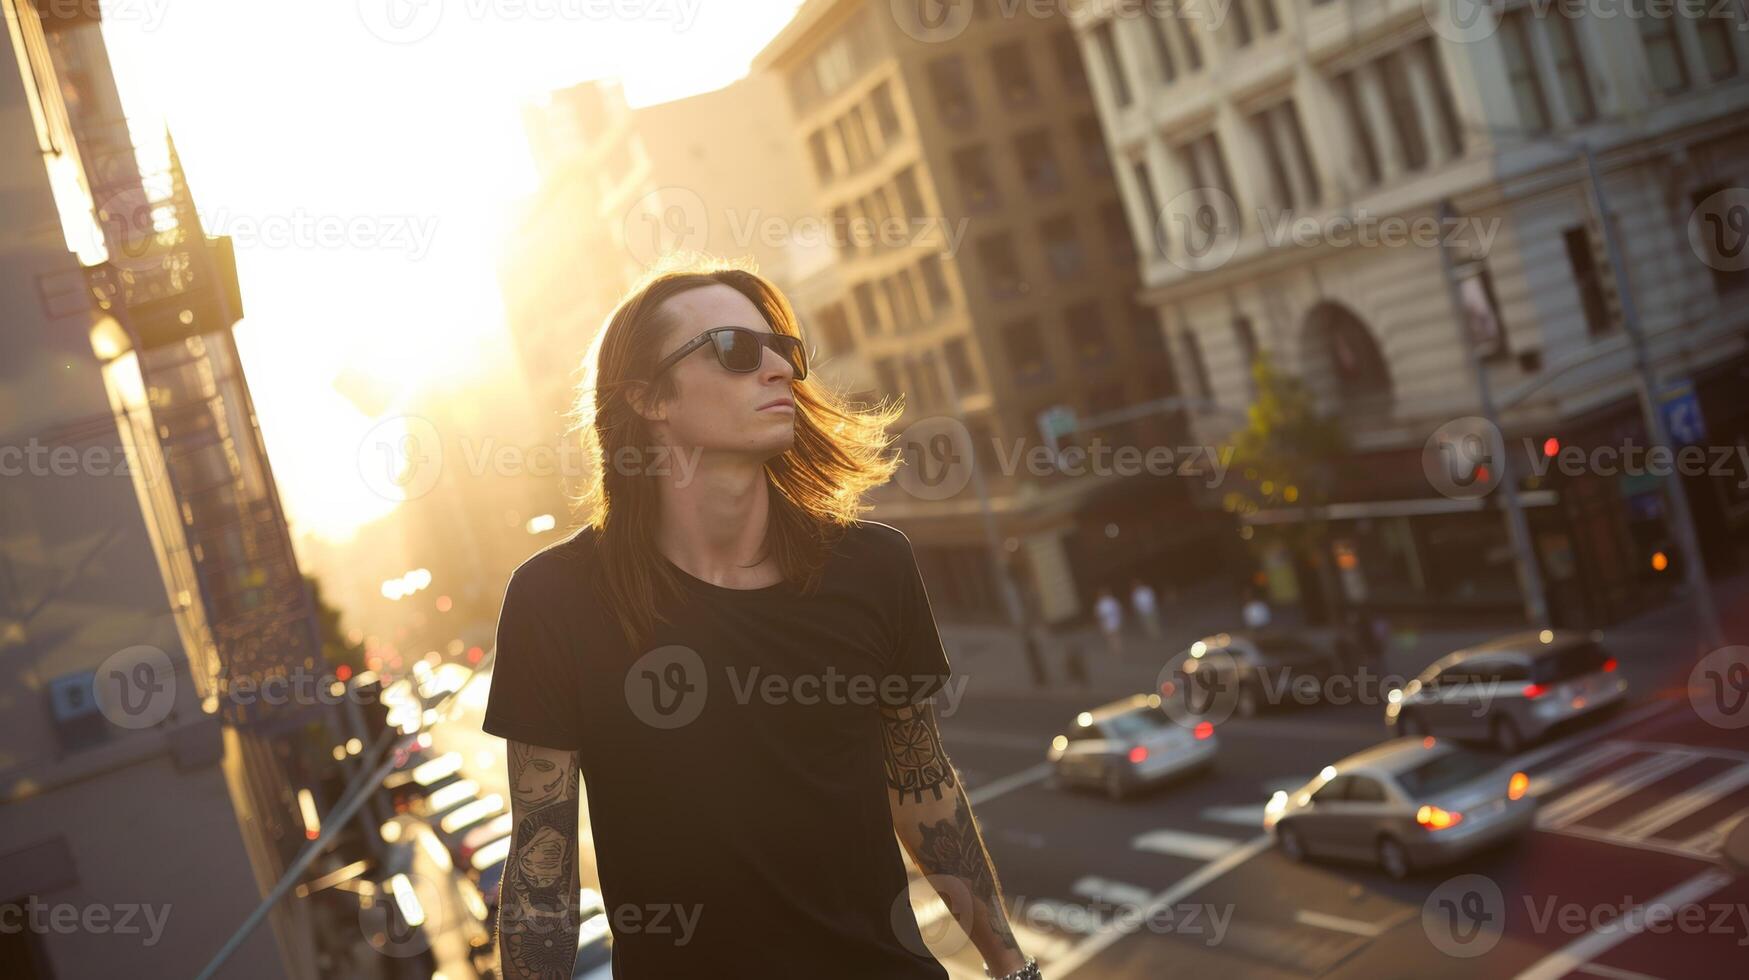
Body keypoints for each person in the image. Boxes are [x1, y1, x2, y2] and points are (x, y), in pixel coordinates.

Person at [481, 263, 1035, 980]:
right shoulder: (552, 600)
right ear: (647, 397)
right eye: (736, 349)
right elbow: (541, 875)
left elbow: (921, 789)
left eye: (784, 349)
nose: (777, 368)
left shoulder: (873, 565)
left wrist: (1011, 966)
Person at [1094, 587, 1124, 659]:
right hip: (1112, 621)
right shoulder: (1111, 601)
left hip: (1109, 622)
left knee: (1112, 637)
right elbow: (1118, 610)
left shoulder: (1101, 604)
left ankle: (1116, 649)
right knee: (1114, 636)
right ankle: (1117, 649)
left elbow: (1098, 615)